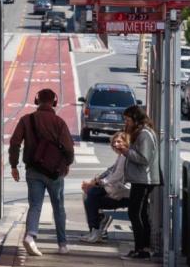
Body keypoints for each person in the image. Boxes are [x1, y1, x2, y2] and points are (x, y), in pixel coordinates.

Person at [9, 88, 75, 256]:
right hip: (55, 173)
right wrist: (66, 164)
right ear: (54, 102)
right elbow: (68, 148)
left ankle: (30, 235)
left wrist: (14, 165)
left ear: (37, 101)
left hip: (33, 170)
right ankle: (62, 244)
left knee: (35, 205)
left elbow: (15, 143)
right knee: (58, 207)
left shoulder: (26, 120)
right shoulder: (59, 122)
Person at [115, 105, 160, 260]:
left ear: (136, 119)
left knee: (135, 212)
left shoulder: (144, 134)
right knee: (139, 212)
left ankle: (141, 249)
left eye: (128, 120)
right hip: (140, 178)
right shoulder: (141, 133)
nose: (126, 123)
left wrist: (125, 151)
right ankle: (142, 248)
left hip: (143, 179)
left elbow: (144, 158)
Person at [79, 131, 131, 243]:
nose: (116, 144)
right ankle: (95, 229)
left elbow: (115, 177)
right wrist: (94, 182)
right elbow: (110, 171)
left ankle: (96, 229)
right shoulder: (121, 156)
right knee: (89, 194)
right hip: (116, 190)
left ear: (126, 143)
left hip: (123, 194)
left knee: (91, 196)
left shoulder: (124, 157)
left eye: (119, 142)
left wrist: (98, 183)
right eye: (114, 142)